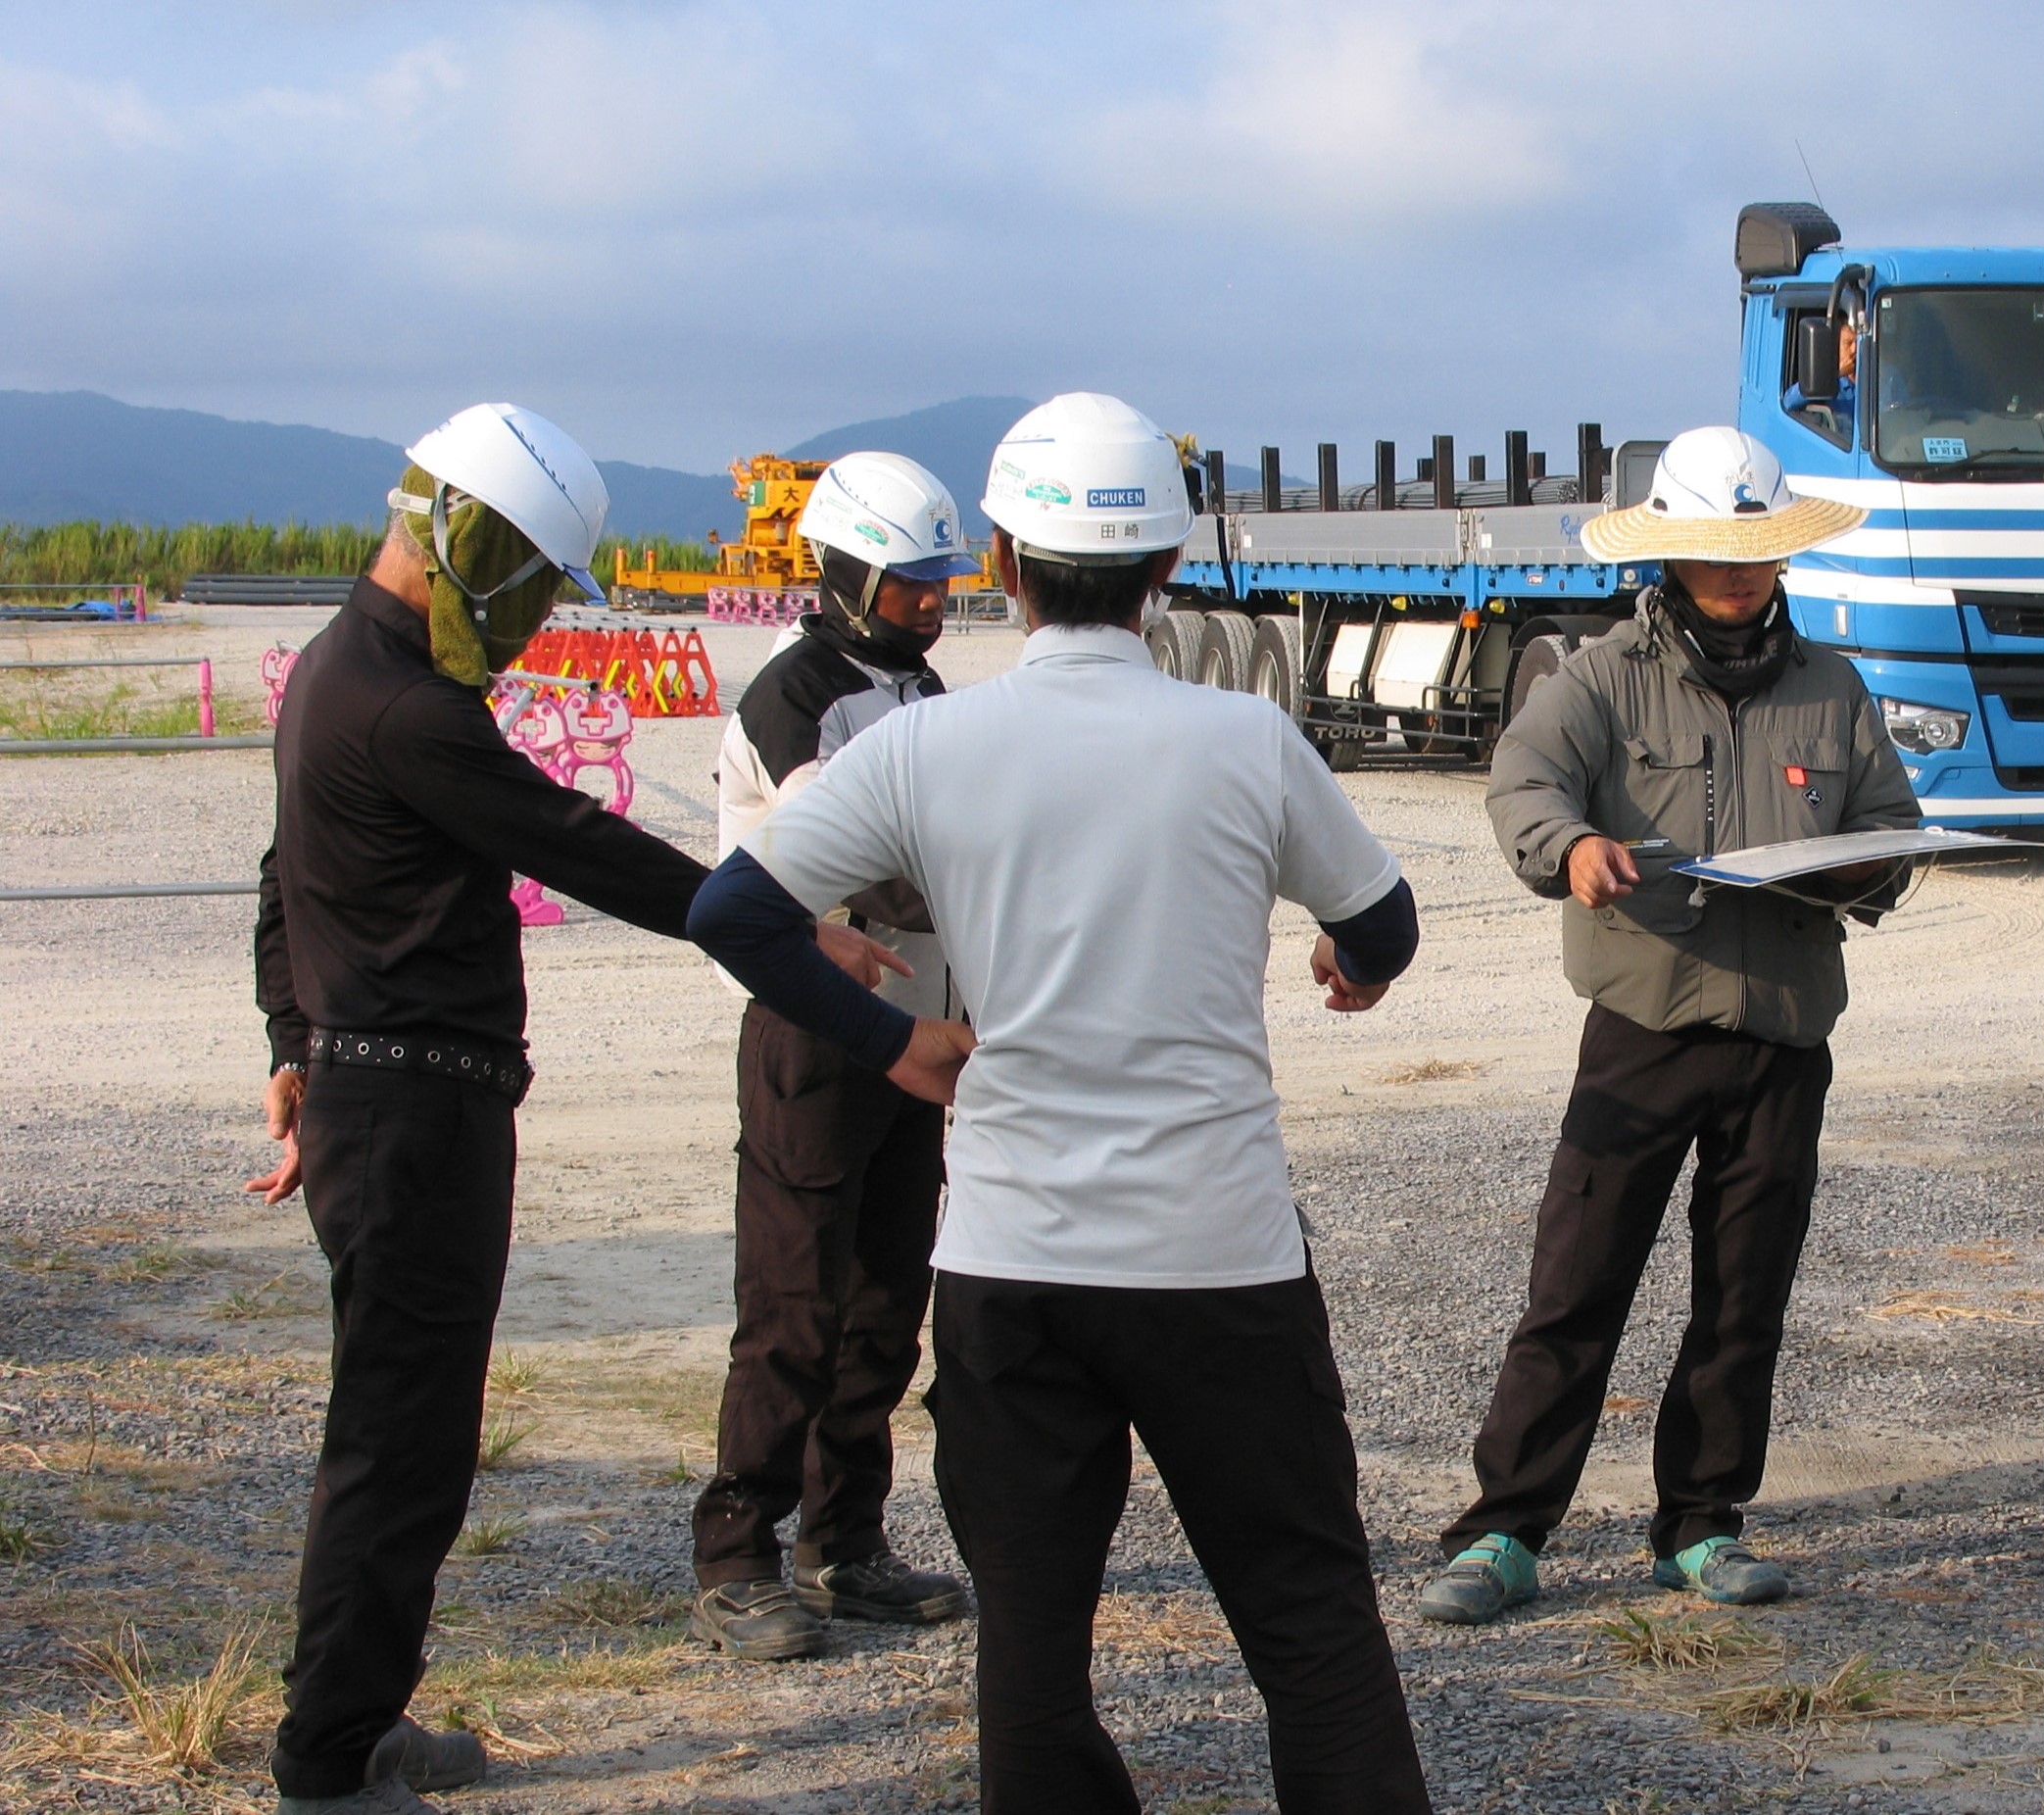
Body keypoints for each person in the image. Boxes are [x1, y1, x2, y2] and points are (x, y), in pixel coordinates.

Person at [688, 392, 1434, 1811]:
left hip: (1013, 1263)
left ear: (1001, 562)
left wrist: (893, 1040)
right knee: (1310, 1628)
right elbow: (1384, 921)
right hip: (1218, 1258)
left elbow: (735, 911)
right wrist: (1352, 964)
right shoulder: (1245, 739)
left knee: (1030, 1664)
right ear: (1166, 571)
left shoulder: (925, 746)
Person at [243, 404, 913, 1815]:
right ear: (473, 547)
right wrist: (778, 918)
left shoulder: (339, 670)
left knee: (403, 1438)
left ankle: (354, 1723)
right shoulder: (407, 707)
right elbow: (579, 844)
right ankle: (329, 1759)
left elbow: (276, 878)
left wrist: (291, 1043)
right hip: (412, 1119)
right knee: (399, 1450)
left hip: (386, 1101)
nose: (539, 616)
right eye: (536, 582)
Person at [1419, 426, 1921, 1625]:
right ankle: (1503, 1532)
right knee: (1575, 1286)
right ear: (1669, 556)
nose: (1737, 573)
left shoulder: (1833, 688)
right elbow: (1524, 783)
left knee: (1744, 1297)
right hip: (1641, 1029)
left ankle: (1701, 1525)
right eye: (1712, 552)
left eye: (1756, 551)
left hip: (1783, 1036)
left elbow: (1890, 824)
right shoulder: (1599, 678)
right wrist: (1572, 846)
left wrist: (1870, 867)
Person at [687, 452, 977, 1659]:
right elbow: (861, 857)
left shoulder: (922, 688)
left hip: (912, 1038)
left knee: (887, 1302)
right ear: (848, 573)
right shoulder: (793, 694)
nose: (932, 600)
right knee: (793, 1306)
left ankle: (844, 1540)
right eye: (909, 582)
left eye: (941, 579)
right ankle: (736, 1554)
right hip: (811, 1033)